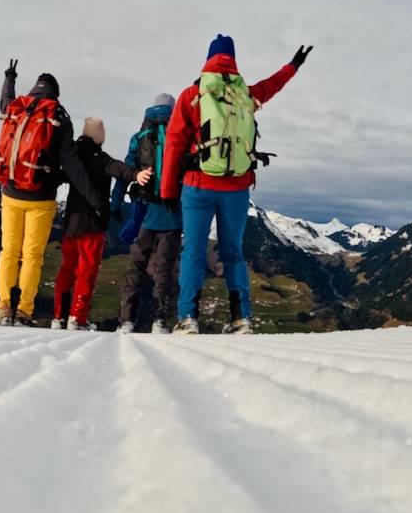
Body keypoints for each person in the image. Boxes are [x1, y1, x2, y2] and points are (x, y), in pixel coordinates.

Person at [161, 34, 312, 334]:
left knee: (193, 250)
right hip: (237, 188)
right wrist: (293, 66)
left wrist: (167, 189)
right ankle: (241, 318)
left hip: (198, 185)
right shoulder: (245, 95)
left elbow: (174, 144)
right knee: (233, 252)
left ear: (208, 61)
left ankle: (188, 318)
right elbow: (272, 86)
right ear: (233, 61)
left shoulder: (193, 95)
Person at [0, 59, 101, 327]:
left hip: (10, 191)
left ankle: (5, 307)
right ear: (56, 93)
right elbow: (72, 163)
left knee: (8, 251)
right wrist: (95, 198)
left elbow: (4, 100)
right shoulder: (58, 117)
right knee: (31, 256)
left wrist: (10, 76)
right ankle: (24, 312)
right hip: (40, 199)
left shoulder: (17, 107)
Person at [51, 117, 151, 331]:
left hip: (71, 223)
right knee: (86, 272)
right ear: (98, 136)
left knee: (66, 270)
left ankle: (58, 316)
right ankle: (77, 318)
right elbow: (119, 168)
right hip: (92, 225)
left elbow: (58, 175)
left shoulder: (72, 157)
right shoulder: (100, 158)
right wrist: (137, 174)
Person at [111, 93, 183, 334]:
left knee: (136, 267)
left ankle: (126, 321)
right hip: (173, 214)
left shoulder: (139, 136)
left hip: (143, 211)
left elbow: (127, 168)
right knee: (165, 270)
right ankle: (160, 321)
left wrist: (116, 201)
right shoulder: (180, 134)